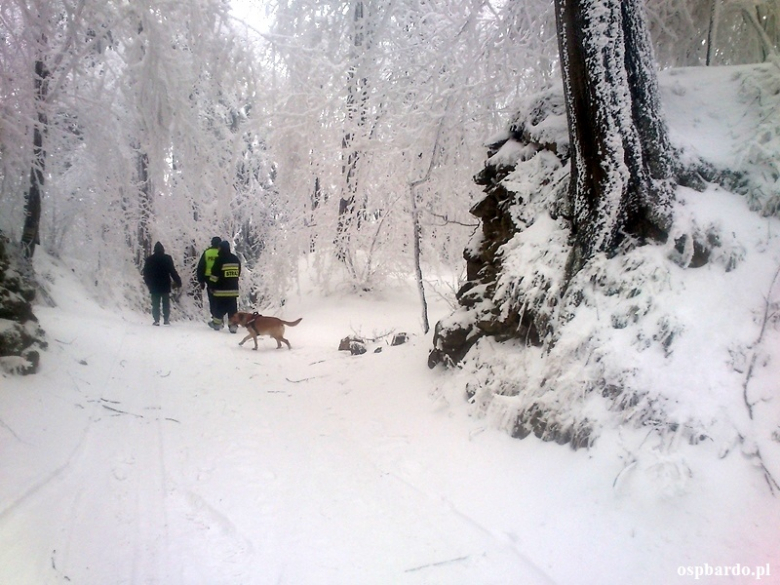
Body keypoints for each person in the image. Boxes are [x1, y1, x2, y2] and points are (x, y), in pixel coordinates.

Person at [142, 241, 182, 326]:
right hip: (165, 284)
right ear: (163, 249)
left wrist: (148, 283)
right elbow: (172, 271)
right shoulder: (167, 258)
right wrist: (178, 281)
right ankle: (166, 319)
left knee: (155, 303)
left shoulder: (150, 259)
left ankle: (156, 320)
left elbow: (146, 273)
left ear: (154, 250)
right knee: (166, 303)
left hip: (154, 285)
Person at [208, 240, 241, 332]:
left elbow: (214, 275)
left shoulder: (219, 260)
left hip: (221, 291)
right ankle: (233, 326)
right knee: (232, 309)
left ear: (221, 248)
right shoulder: (235, 259)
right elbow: (238, 273)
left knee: (219, 308)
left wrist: (211, 286)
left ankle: (217, 324)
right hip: (233, 291)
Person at [196, 237, 221, 322]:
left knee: (212, 298)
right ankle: (220, 316)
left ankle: (215, 316)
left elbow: (201, 267)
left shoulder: (207, 253)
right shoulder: (221, 252)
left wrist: (201, 281)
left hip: (209, 278)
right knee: (220, 298)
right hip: (220, 279)